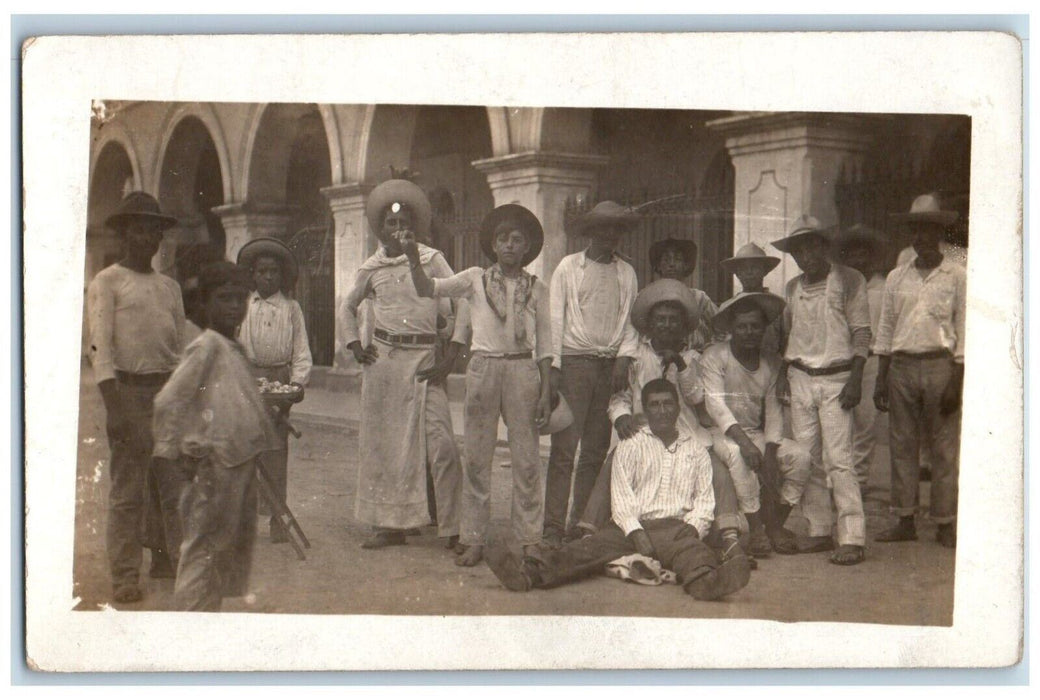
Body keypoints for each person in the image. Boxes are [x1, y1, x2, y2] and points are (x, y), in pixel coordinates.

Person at [483, 378, 751, 601]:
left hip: (677, 529)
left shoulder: (696, 450)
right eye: (654, 405)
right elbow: (621, 498)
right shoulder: (631, 444)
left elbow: (704, 501)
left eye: (668, 404)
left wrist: (692, 529)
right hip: (629, 528)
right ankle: (528, 574)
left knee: (697, 555)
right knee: (582, 551)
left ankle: (708, 584)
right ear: (645, 410)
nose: (662, 411)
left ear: (677, 408)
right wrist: (636, 533)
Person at [404, 204, 552, 567]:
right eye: (503, 238)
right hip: (484, 369)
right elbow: (428, 288)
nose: (510, 245)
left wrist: (547, 391)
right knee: (476, 458)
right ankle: (473, 538)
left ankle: (530, 538)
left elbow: (547, 344)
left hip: (522, 371)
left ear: (528, 246)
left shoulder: (537, 288)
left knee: (528, 460)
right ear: (493, 244)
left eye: (517, 239)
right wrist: (411, 255)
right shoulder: (474, 279)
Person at [577, 279, 751, 566]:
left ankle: (729, 539)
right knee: (613, 462)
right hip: (643, 430)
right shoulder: (635, 357)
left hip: (685, 432)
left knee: (717, 470)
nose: (667, 326)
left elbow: (697, 398)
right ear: (650, 324)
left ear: (684, 327)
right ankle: (588, 532)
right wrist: (621, 418)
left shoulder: (694, 357)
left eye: (673, 321)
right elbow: (619, 397)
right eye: (661, 320)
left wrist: (680, 365)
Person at [339, 178, 463, 550]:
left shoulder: (432, 259)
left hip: (425, 362)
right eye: (390, 225)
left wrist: (452, 353)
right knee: (387, 446)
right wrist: (355, 346)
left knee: (442, 446)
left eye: (404, 224)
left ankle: (455, 529)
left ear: (415, 227)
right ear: (380, 229)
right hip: (385, 365)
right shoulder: (371, 267)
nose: (398, 231)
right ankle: (390, 525)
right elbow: (347, 307)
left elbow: (462, 301)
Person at [152, 262, 281, 611]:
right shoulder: (206, 345)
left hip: (236, 462)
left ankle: (206, 616)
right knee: (204, 548)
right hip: (214, 464)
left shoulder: (232, 346)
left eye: (239, 299)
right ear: (204, 304)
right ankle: (190, 622)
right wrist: (174, 451)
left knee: (223, 549)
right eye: (224, 299)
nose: (234, 307)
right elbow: (169, 398)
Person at [86, 191, 185, 604]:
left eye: (154, 230)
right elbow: (100, 350)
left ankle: (165, 557)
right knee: (128, 490)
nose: (148, 238)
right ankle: (125, 572)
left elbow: (179, 346)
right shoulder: (107, 282)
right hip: (128, 390)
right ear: (125, 235)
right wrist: (115, 406)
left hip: (168, 392)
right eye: (139, 229)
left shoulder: (169, 287)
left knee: (169, 483)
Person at [772, 215, 871, 566]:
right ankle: (817, 530)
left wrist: (856, 379)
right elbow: (789, 337)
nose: (806, 254)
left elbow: (861, 333)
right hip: (800, 379)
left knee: (839, 459)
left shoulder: (848, 279)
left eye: (811, 245)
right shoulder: (791, 288)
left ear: (823, 246)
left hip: (837, 379)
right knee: (808, 457)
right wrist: (785, 375)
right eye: (799, 249)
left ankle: (852, 537)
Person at [545, 201, 641, 547]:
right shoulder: (570, 268)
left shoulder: (626, 273)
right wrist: (554, 368)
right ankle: (553, 528)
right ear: (590, 231)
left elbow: (632, 320)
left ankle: (579, 523)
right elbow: (555, 319)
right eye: (601, 228)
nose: (608, 235)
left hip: (609, 369)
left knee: (595, 451)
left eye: (614, 229)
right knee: (564, 451)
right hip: (575, 365)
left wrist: (623, 359)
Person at [872, 194, 965, 548]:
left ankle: (944, 521)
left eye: (927, 230)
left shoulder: (956, 275)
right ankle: (905, 518)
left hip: (940, 365)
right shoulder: (897, 276)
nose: (920, 238)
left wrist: (956, 378)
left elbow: (964, 329)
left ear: (940, 232)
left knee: (943, 447)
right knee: (902, 445)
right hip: (902, 366)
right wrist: (881, 375)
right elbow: (886, 328)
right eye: (915, 231)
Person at [702, 292, 811, 556]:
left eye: (755, 326)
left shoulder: (770, 363)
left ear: (763, 329)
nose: (749, 332)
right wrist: (747, 444)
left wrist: (771, 452)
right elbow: (716, 406)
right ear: (731, 329)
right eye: (742, 326)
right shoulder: (715, 356)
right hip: (720, 433)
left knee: (801, 457)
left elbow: (774, 410)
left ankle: (775, 524)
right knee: (741, 458)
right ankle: (756, 528)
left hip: (755, 433)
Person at [236, 237, 313, 543]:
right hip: (248, 379)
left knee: (276, 450)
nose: (268, 277)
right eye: (262, 271)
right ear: (252, 274)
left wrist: (297, 383)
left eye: (274, 272)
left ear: (282, 276)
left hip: (279, 379)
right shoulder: (245, 307)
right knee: (244, 450)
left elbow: (301, 350)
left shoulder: (291, 308)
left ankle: (277, 518)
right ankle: (243, 519)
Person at [833, 224, 888, 492]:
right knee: (841, 420)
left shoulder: (884, 288)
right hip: (844, 359)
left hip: (873, 359)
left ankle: (860, 480)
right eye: (852, 255)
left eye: (863, 254)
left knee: (866, 421)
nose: (858, 260)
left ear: (872, 257)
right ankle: (840, 478)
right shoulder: (843, 287)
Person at [648, 237, 720, 352]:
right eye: (666, 260)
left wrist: (710, 352)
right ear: (658, 266)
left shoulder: (699, 298)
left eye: (677, 259)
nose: (671, 264)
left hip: (695, 361)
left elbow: (722, 327)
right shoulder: (647, 298)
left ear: (686, 265)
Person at [719, 242, 783, 356]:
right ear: (738, 274)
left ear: (764, 271)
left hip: (771, 366)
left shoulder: (778, 306)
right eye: (743, 269)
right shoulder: (729, 307)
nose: (749, 272)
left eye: (754, 267)